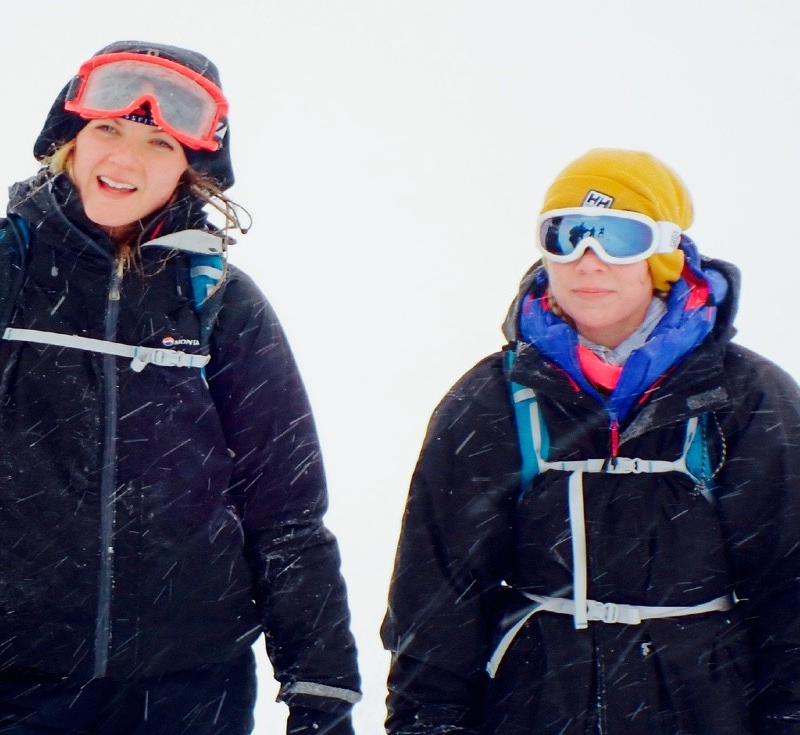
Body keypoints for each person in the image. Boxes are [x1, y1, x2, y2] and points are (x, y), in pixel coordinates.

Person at [0, 41, 360, 734]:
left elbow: (285, 514)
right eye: (107, 129)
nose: (124, 160)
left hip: (188, 691)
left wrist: (322, 692)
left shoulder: (220, 303)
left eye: (158, 143)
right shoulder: (11, 279)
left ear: (192, 168)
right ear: (69, 142)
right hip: (17, 683)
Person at [381, 148, 800, 734]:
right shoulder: (492, 399)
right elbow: (438, 599)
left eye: (617, 238)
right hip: (532, 711)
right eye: (566, 235)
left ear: (664, 253)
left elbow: (789, 593)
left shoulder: (746, 397)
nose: (588, 260)